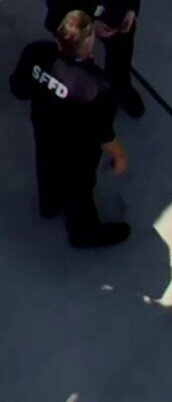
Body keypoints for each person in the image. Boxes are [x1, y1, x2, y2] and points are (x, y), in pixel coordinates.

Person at [9, 10, 131, 248]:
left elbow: (19, 88)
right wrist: (119, 156)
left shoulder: (37, 53)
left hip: (44, 129)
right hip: (78, 147)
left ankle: (50, 204)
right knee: (80, 186)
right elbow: (104, 133)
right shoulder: (97, 87)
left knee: (46, 165)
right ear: (88, 44)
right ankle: (83, 232)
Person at [44, 0, 143, 117]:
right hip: (75, 14)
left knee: (121, 49)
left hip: (114, 12)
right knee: (76, 61)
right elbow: (58, 10)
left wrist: (131, 8)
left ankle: (119, 83)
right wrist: (90, 23)